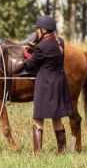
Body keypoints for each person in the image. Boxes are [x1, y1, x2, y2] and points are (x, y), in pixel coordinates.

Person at [22, 15, 72, 154]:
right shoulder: (60, 42)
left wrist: (26, 53)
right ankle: (61, 150)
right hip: (59, 83)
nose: (36, 32)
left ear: (43, 30)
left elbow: (30, 65)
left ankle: (37, 153)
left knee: (38, 118)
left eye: (37, 29)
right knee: (57, 118)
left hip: (45, 85)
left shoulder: (42, 47)